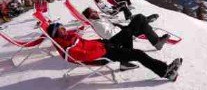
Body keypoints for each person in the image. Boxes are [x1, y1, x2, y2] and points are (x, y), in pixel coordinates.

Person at [47, 22, 182, 81]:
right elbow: (85, 55)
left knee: (127, 33)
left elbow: (87, 44)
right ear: (56, 34)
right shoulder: (68, 47)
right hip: (104, 54)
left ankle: (124, 61)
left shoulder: (68, 38)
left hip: (103, 46)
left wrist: (101, 42)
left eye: (63, 27)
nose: (65, 29)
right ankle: (165, 72)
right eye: (61, 29)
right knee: (139, 54)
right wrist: (104, 48)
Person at [82, 7, 169, 50]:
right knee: (140, 17)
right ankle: (155, 39)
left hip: (121, 31)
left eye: (94, 11)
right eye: (92, 13)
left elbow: (110, 27)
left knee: (142, 24)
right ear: (89, 17)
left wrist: (117, 25)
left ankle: (157, 41)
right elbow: (109, 35)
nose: (95, 12)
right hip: (120, 36)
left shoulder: (99, 19)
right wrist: (118, 27)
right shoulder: (97, 24)